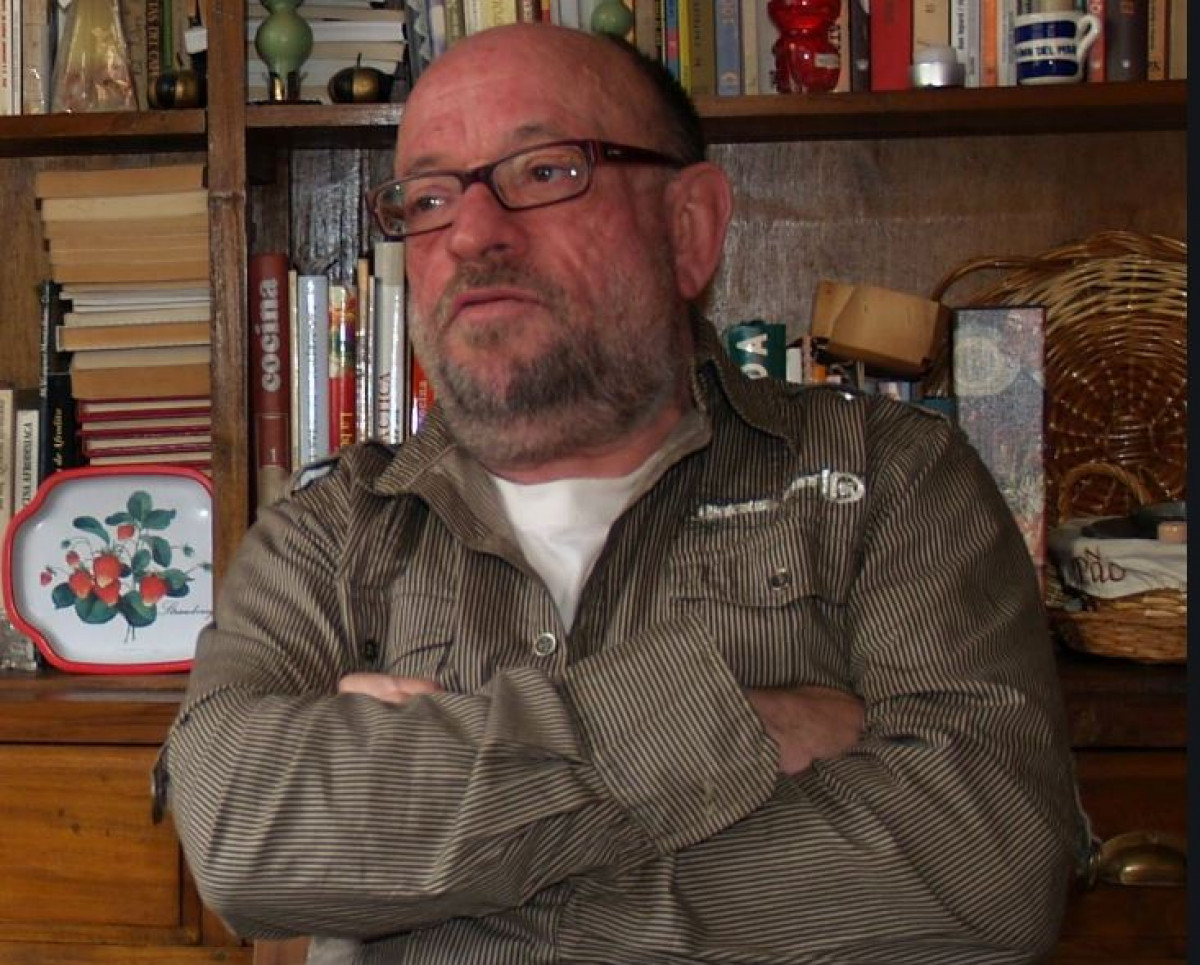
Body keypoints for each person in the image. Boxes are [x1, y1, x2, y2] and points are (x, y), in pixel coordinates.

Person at [158, 22, 1086, 964]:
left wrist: (432, 889)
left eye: (545, 171)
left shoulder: (891, 479)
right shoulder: (326, 534)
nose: (472, 233)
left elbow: (984, 872)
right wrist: (730, 720)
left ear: (689, 229)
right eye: (429, 198)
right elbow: (240, 834)